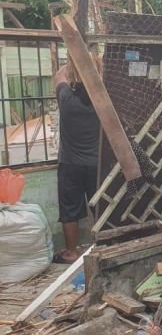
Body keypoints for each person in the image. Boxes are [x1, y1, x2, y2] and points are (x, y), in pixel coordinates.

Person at [52, 57, 101, 264]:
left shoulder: (66, 99)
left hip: (70, 164)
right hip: (96, 165)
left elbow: (58, 76)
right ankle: (103, 246)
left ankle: (71, 252)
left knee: (69, 209)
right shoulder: (102, 103)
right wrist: (95, 67)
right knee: (100, 208)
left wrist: (73, 64)